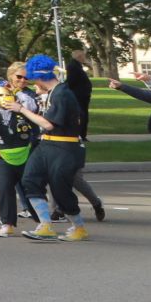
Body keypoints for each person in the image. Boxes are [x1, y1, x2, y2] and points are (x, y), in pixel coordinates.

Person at [13, 54, 89, 242]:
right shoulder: (54, 93)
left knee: (60, 189)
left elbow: (48, 124)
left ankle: (78, 227)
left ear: (38, 77)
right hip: (47, 144)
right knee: (30, 179)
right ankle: (45, 225)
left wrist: (21, 109)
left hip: (65, 147)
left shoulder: (62, 93)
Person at [0, 62, 43, 237]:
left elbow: (32, 108)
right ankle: (7, 223)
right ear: (10, 77)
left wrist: (16, 93)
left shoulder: (27, 96)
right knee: (5, 187)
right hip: (4, 151)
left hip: (27, 149)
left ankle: (41, 221)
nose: (22, 80)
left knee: (30, 186)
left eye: (25, 77)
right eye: (18, 77)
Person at [62, 48, 105, 222]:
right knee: (54, 177)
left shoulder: (69, 102)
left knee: (75, 179)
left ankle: (95, 203)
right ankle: (58, 210)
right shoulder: (52, 98)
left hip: (71, 143)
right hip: (54, 144)